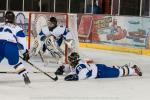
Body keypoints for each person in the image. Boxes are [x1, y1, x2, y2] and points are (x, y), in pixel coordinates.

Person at [55, 52, 142, 81]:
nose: (69, 61)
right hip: (98, 68)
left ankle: (133, 70)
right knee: (113, 69)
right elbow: (69, 68)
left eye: (70, 60)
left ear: (74, 60)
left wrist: (75, 77)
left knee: (117, 73)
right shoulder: (75, 64)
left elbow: (84, 75)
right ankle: (124, 67)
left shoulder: (79, 65)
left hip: (101, 72)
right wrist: (62, 69)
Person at [0, 11, 30, 84]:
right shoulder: (17, 28)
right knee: (15, 63)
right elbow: (22, 43)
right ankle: (25, 75)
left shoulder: (0, 25)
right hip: (10, 45)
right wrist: (25, 53)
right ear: (14, 19)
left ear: (5, 18)